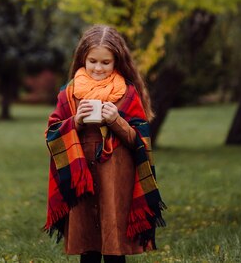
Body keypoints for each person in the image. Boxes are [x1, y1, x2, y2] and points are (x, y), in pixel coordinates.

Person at [44, 24, 166, 263]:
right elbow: (51, 134)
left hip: (116, 179)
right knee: (88, 246)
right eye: (93, 61)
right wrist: (75, 122)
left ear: (116, 62)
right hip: (82, 180)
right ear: (83, 59)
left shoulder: (128, 94)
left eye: (105, 62)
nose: (98, 68)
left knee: (114, 245)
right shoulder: (68, 93)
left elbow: (139, 141)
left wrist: (116, 121)